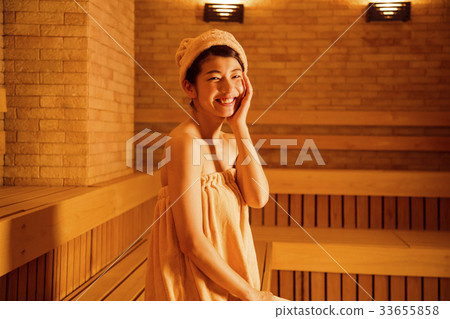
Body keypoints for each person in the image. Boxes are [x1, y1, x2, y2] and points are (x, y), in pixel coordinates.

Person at [145, 29, 287, 301]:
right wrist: (253, 296)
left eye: (236, 77)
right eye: (214, 78)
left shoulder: (232, 142)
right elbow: (191, 243)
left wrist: (240, 126)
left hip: (231, 277)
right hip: (191, 283)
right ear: (190, 87)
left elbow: (258, 198)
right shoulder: (184, 144)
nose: (228, 89)